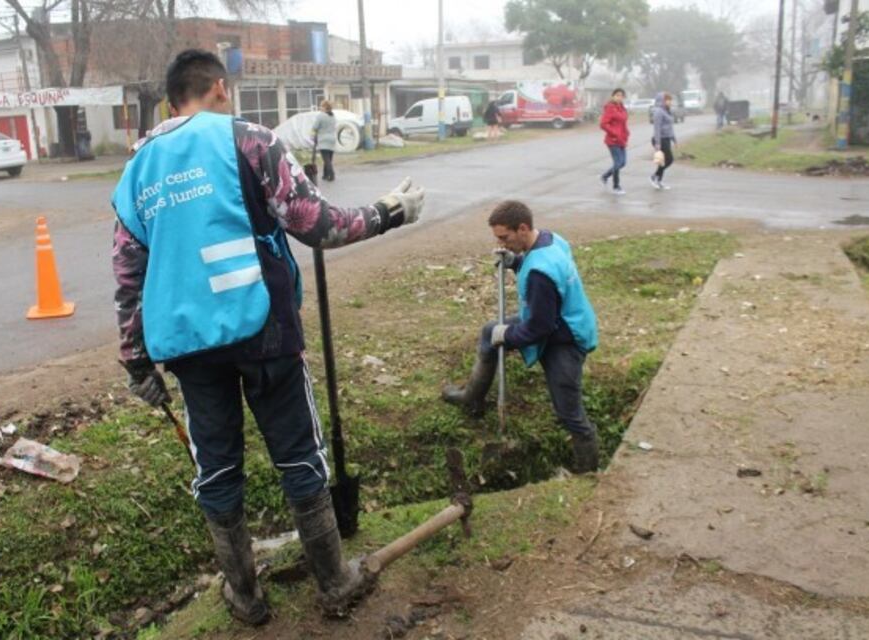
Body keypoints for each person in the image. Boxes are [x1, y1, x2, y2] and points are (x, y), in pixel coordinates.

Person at [111, 49, 425, 625]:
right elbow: (318, 225)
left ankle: (245, 596)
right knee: (299, 454)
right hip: (265, 331)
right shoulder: (250, 141)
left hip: (189, 345)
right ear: (219, 87)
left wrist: (137, 363)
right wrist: (389, 211)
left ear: (171, 100)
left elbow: (128, 274)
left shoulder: (137, 168)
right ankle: (335, 581)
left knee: (217, 468)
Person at [441, 201, 600, 474]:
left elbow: (539, 329)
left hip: (565, 338)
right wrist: (514, 262)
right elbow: (539, 289)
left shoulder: (540, 274)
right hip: (556, 317)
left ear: (523, 228)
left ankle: (587, 471)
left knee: (568, 412)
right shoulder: (550, 239)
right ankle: (472, 398)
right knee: (489, 332)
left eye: (505, 238)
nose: (501, 243)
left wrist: (508, 335)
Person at [599, 88, 630, 195]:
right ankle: (616, 186)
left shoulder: (622, 108)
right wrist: (614, 133)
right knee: (617, 163)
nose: (619, 97)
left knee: (623, 163)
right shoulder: (610, 108)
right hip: (613, 140)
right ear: (613, 96)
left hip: (622, 139)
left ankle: (605, 176)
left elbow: (623, 124)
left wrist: (626, 135)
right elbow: (603, 124)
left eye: (621, 96)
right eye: (617, 95)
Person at [650, 92, 678, 190]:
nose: (669, 101)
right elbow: (656, 128)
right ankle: (654, 176)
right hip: (660, 139)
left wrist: (674, 140)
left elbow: (670, 128)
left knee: (664, 161)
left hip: (667, 138)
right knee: (669, 159)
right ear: (661, 101)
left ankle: (659, 180)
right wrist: (657, 143)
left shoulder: (667, 111)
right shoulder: (659, 112)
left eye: (670, 100)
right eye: (667, 100)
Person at [312, 100, 337, 181]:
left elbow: (315, 127)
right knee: (329, 159)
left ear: (325, 107)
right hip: (332, 139)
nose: (320, 107)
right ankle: (325, 175)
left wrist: (312, 135)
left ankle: (331, 174)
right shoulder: (333, 116)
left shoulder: (320, 116)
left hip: (323, 140)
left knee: (326, 160)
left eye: (321, 106)